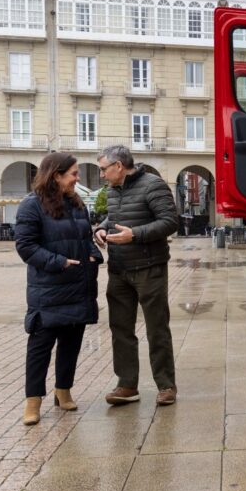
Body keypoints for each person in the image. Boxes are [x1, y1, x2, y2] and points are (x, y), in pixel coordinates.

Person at [14, 153, 103, 425]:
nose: (78, 178)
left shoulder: (77, 204)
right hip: (48, 289)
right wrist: (59, 262)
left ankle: (63, 390)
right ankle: (33, 401)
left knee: (71, 344)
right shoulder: (31, 205)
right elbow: (26, 246)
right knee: (40, 348)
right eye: (73, 173)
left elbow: (85, 238)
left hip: (78, 285)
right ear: (56, 175)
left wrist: (93, 255)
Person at [94, 145, 179, 406]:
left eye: (103, 169)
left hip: (149, 268)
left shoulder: (153, 185)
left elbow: (170, 221)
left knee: (157, 328)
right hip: (118, 269)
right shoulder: (112, 189)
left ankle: (166, 385)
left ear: (119, 166)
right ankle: (127, 385)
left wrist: (135, 234)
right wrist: (101, 228)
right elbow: (115, 217)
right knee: (120, 328)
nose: (101, 175)